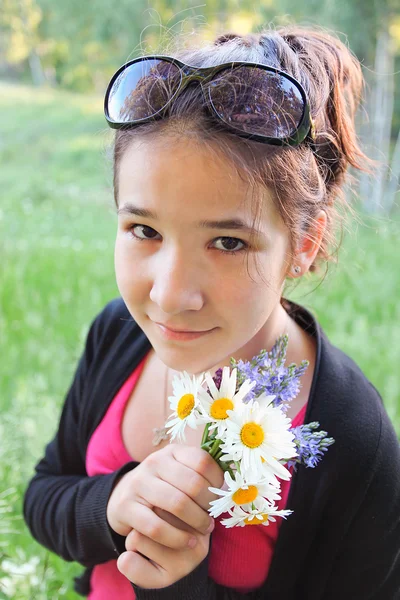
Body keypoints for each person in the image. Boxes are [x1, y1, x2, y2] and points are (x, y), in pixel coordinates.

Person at [23, 25, 400, 600]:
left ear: (304, 243)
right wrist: (113, 505)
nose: (171, 296)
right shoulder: (118, 333)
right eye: (144, 229)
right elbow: (45, 494)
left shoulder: (352, 438)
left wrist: (177, 581)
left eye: (228, 242)